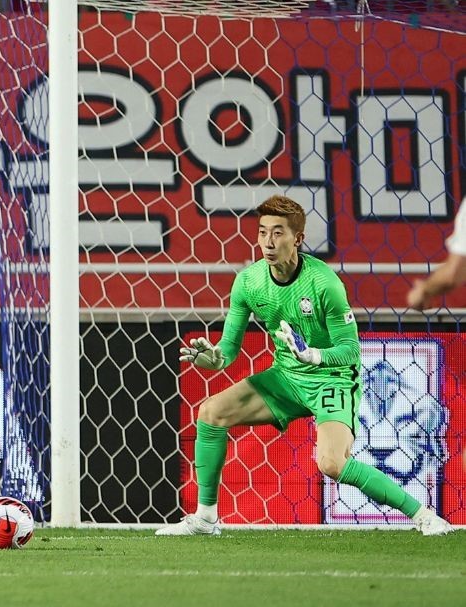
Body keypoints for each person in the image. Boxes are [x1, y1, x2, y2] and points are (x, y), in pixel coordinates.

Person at [160, 195, 453, 536]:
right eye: (262, 232)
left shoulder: (324, 283)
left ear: (297, 239)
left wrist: (314, 355)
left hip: (331, 379)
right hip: (286, 377)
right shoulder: (249, 282)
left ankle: (424, 516)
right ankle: (205, 519)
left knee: (331, 463)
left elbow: (350, 351)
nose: (268, 242)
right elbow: (229, 348)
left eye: (278, 233)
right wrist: (215, 359)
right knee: (211, 412)